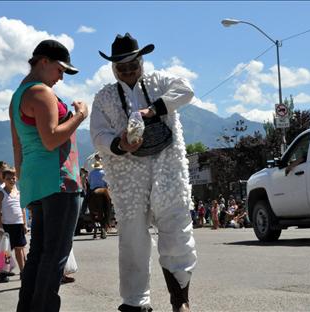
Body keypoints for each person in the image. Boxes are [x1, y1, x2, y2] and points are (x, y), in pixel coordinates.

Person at [90, 33, 197, 312]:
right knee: (132, 238)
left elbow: (186, 90)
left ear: (142, 62)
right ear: (113, 68)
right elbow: (98, 134)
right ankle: (136, 302)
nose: (127, 72)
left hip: (167, 167)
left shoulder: (160, 81)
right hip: (127, 173)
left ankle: (180, 298)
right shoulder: (104, 97)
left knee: (176, 230)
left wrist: (154, 109)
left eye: (132, 66)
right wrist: (119, 144)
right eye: (121, 68)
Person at [9, 39, 87, 312]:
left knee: (39, 256)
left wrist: (23, 183)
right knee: (54, 257)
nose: (61, 76)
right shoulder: (41, 92)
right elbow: (52, 139)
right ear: (44, 61)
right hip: (59, 181)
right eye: (60, 69)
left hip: (36, 181)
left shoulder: (19, 94)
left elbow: (17, 145)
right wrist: (79, 115)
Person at [0, 167, 27, 283]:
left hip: (18, 225)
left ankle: (23, 272)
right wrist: (0, 226)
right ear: (4, 179)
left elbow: (22, 209)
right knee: (6, 251)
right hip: (7, 225)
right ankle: (3, 273)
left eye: (13, 178)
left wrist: (25, 224)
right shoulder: (0, 194)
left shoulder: (18, 192)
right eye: (8, 178)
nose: (11, 180)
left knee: (20, 249)